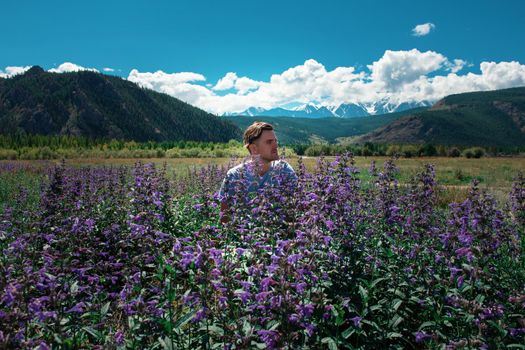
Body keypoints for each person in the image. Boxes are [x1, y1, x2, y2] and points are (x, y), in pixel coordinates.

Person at [219, 122, 297, 223]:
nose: (276, 145)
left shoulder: (284, 169)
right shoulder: (235, 175)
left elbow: (296, 208)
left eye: (275, 141)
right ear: (254, 148)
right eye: (269, 142)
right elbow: (225, 218)